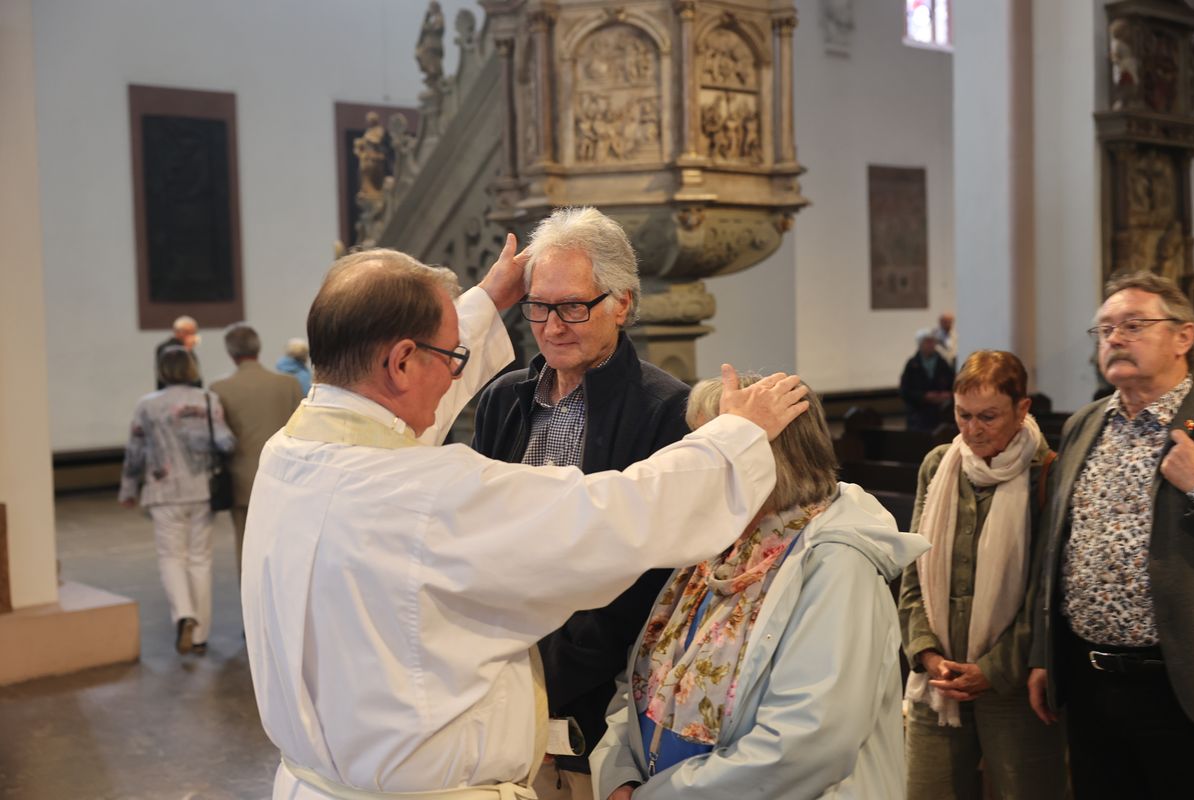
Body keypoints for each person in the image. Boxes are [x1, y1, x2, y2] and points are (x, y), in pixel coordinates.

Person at [241, 235, 810, 800]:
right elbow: (618, 515)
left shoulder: (291, 454)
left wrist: (486, 302)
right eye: (452, 357)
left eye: (571, 306)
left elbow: (392, 399)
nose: (456, 377)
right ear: (403, 361)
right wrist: (737, 436)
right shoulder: (426, 495)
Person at [591, 374, 928, 800]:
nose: (696, 466)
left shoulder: (836, 561)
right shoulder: (716, 542)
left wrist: (656, 797)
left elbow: (808, 742)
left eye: (716, 448)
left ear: (773, 459)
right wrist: (619, 773)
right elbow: (642, 675)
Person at [472, 207, 689, 800]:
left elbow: (650, 575)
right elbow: (479, 537)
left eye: (572, 307)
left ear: (622, 302)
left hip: (603, 698)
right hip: (498, 685)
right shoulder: (503, 399)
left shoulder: (665, 409)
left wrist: (550, 680)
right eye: (538, 307)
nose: (551, 326)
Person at [1029, 271, 1194, 798]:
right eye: (1104, 330)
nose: (1115, 339)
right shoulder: (1085, 424)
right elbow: (1053, 550)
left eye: (1133, 325)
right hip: (1089, 678)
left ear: (1184, 336)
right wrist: (1043, 654)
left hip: (1181, 682)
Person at [899, 351, 1067, 800]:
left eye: (988, 417)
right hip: (938, 678)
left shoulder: (1047, 472)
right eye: (963, 415)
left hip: (1014, 684)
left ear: (1022, 409)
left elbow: (1046, 592)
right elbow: (914, 570)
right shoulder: (939, 465)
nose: (973, 430)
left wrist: (991, 670)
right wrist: (926, 653)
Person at [119, 346, 235, 655]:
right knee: (200, 559)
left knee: (171, 557)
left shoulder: (147, 405)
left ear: (161, 371)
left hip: (163, 491)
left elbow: (135, 450)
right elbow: (225, 441)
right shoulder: (208, 400)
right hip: (202, 490)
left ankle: (184, 614)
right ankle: (200, 635)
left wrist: (128, 490)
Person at [209, 323, 304, 581]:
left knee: (247, 548)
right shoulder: (288, 384)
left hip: (243, 481)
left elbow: (221, 439)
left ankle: (252, 603)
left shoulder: (219, 389)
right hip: (288, 478)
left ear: (230, 353)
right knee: (288, 545)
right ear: (258, 348)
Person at [901, 328, 955, 432]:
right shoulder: (912, 364)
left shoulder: (942, 363)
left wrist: (948, 394)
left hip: (941, 416)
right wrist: (924, 396)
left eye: (932, 341)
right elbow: (905, 391)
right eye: (927, 342)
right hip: (918, 417)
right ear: (920, 344)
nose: (931, 345)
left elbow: (953, 383)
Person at [155, 315, 201, 389]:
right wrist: (187, 349)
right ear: (179, 332)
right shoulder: (168, 349)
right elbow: (175, 371)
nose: (193, 336)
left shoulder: (185, 347)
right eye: (190, 332)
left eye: (194, 332)